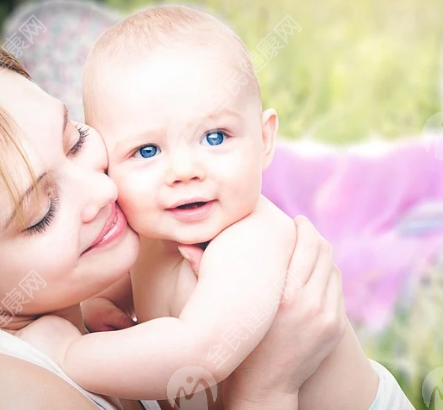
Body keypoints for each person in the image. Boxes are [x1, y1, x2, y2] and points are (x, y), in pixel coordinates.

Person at [0, 42, 346, 409]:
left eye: (76, 140)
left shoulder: (78, 311)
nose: (103, 192)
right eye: (41, 214)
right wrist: (266, 390)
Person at [27, 6, 412, 410]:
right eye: (147, 150)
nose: (185, 171)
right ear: (108, 163)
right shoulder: (152, 235)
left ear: (264, 140)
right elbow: (125, 287)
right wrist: (99, 306)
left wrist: (70, 353)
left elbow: (201, 353)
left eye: (214, 137)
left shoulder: (252, 240)